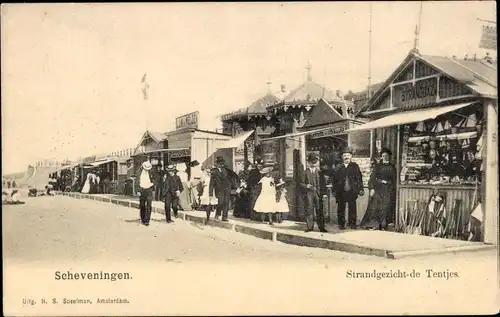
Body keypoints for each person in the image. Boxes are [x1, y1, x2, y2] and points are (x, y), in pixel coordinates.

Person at [333, 147, 364, 230]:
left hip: (352, 190)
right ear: (342, 157)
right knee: (341, 208)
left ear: (351, 156)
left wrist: (361, 189)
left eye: (348, 155)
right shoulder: (338, 167)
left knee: (352, 208)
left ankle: (352, 223)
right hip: (341, 191)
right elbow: (334, 180)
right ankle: (341, 224)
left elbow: (359, 178)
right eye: (344, 155)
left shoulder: (355, 166)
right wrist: (334, 191)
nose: (346, 157)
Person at [367, 148, 397, 231]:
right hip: (379, 189)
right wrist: (372, 188)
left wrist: (392, 186)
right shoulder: (378, 166)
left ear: (389, 157)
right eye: (383, 156)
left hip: (388, 190)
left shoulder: (392, 166)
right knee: (376, 206)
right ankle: (375, 225)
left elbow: (394, 179)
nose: (385, 157)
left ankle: (384, 225)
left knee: (386, 207)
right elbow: (373, 177)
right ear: (381, 157)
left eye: (386, 156)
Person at [299, 154, 327, 233]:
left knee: (320, 210)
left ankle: (321, 227)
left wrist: (324, 194)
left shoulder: (319, 172)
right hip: (309, 194)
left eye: (315, 162)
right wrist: (306, 185)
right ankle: (310, 227)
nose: (313, 163)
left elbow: (323, 184)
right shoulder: (305, 172)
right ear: (308, 163)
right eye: (312, 162)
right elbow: (300, 183)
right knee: (309, 210)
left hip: (318, 193)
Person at [209, 156, 238, 221]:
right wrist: (210, 193)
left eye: (222, 163)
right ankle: (218, 214)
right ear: (217, 164)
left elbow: (232, 177)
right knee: (220, 202)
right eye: (219, 163)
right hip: (219, 189)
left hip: (227, 188)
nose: (221, 164)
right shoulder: (214, 172)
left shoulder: (226, 170)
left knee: (226, 202)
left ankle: (225, 217)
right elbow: (211, 183)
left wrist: (232, 185)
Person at [138, 161, 156, 226]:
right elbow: (137, 182)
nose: (147, 170)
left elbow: (156, 179)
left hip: (149, 190)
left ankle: (147, 220)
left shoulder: (151, 172)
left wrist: (153, 183)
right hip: (142, 190)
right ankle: (143, 219)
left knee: (149, 205)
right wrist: (138, 191)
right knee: (142, 205)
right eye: (146, 168)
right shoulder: (139, 173)